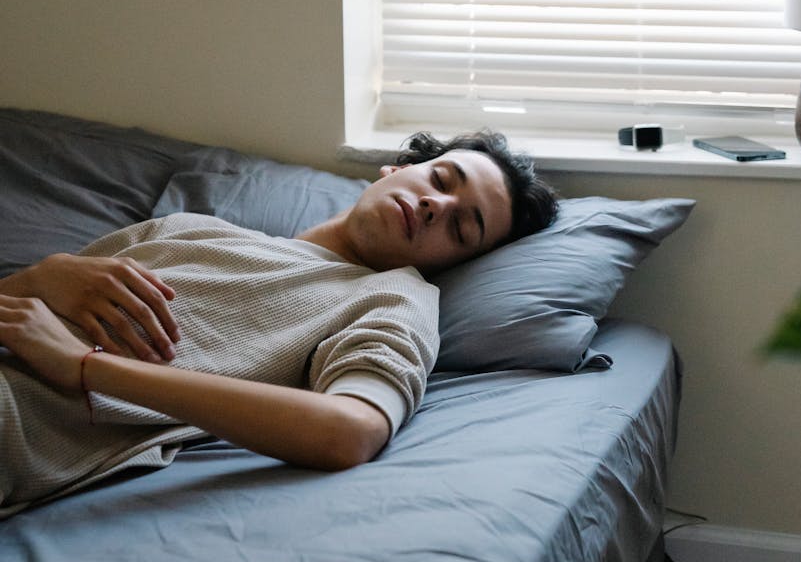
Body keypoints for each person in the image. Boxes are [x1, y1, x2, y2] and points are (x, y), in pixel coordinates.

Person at [0, 130, 558, 515]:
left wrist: (87, 370)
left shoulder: (391, 298)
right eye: (441, 178)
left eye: (462, 228)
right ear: (397, 170)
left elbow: (352, 430)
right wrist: (39, 279)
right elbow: (22, 318)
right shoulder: (188, 228)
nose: (438, 205)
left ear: (455, 263)